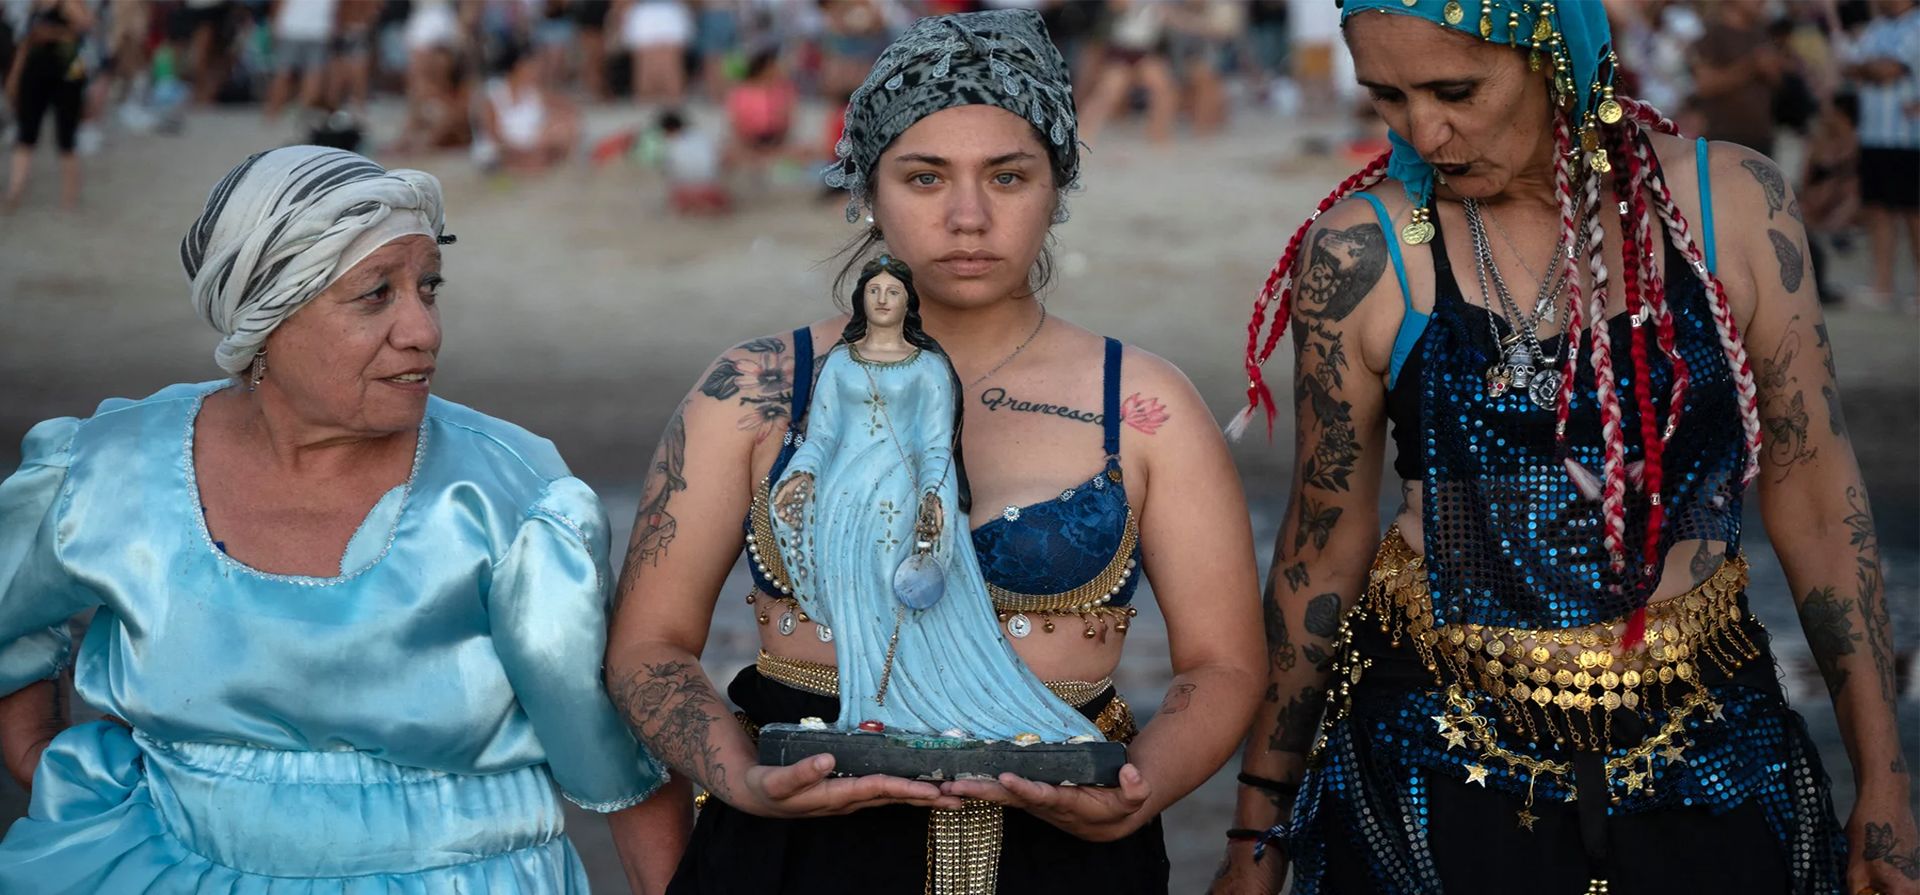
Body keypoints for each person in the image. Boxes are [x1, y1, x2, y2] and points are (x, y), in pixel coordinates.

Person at [1208, 2, 1918, 894]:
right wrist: (1256, 827)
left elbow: (1816, 491)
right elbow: (1321, 552)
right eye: (1386, 95)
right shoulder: (1366, 252)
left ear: (1554, 56)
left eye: (1455, 89)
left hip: (1708, 744)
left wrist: (1884, 776)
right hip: (1434, 753)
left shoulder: (1731, 205)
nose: (1424, 130)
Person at [605, 10, 1264, 893]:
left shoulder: (1144, 407)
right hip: (800, 849)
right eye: (924, 177)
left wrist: (1140, 790)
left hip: (1063, 848)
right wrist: (744, 781)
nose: (967, 216)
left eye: (1008, 175)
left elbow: (1223, 662)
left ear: (1056, 185)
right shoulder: (758, 389)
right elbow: (649, 643)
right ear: (866, 190)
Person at [0, 145, 680, 893]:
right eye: (375, 295)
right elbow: (12, 611)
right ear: (268, 315)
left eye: (429, 287)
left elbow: (617, 766)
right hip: (159, 865)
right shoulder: (112, 471)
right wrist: (36, 749)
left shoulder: (503, 496)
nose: (424, 330)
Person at [1842, 0, 1920, 309]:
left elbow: (1887, 69)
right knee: (1878, 210)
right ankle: (1883, 285)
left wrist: (1868, 69)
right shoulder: (1876, 28)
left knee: (1914, 212)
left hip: (1909, 137)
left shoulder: (1916, 25)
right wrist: (1869, 69)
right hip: (1874, 133)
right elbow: (1854, 67)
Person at [4, 0, 91, 210]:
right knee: (26, 133)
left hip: (67, 75)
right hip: (35, 74)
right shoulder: (34, 7)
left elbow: (86, 25)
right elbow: (25, 43)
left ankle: (70, 197)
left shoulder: (68, 3)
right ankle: (14, 192)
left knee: (66, 137)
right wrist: (14, 76)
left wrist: (54, 33)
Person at [479, 40, 580, 173]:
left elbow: (569, 108)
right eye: (531, 66)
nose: (536, 71)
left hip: (534, 143)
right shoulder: (495, 94)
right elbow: (491, 133)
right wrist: (519, 148)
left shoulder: (533, 92)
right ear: (518, 67)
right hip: (508, 147)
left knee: (565, 125)